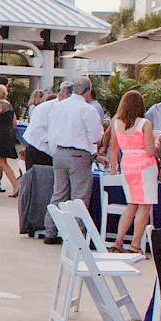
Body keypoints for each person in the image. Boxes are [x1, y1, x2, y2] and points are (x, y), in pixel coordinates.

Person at [109, 90, 158, 253]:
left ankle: (118, 240)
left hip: (127, 164)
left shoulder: (117, 122)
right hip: (144, 165)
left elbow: (113, 148)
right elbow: (150, 151)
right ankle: (135, 244)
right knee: (144, 206)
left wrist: (113, 167)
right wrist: (157, 143)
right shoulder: (144, 124)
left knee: (131, 205)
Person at [48, 76, 104, 219]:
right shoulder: (88, 109)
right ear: (89, 90)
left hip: (59, 152)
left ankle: (51, 228)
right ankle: (77, 231)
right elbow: (95, 137)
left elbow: (52, 131)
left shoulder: (59, 106)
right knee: (79, 197)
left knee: (59, 193)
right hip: (78, 154)